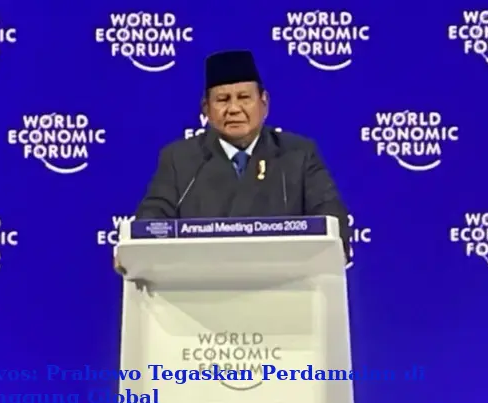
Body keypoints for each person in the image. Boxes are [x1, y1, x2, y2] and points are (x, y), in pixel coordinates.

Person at [116, 50, 350, 273]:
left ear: (264, 102)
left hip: (284, 286)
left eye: (244, 98)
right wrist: (136, 249)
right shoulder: (180, 158)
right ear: (206, 109)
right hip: (200, 287)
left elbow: (331, 219)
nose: (234, 109)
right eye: (223, 100)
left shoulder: (298, 154)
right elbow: (153, 218)